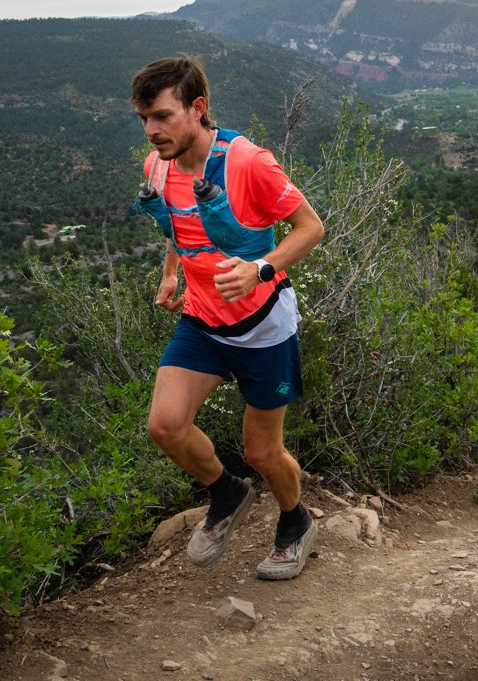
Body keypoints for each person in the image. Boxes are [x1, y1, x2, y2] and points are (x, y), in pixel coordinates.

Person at [130, 55, 325, 580]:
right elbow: (177, 227)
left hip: (262, 326)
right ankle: (227, 494)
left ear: (198, 108)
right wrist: (172, 273)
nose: (151, 131)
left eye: (163, 117)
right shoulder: (157, 166)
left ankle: (295, 521)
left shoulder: (247, 162)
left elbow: (311, 228)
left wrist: (261, 269)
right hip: (202, 320)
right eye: (144, 119)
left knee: (263, 450)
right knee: (166, 426)